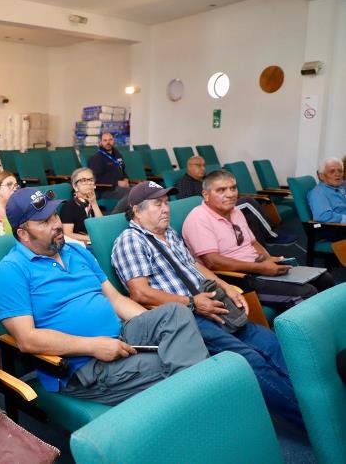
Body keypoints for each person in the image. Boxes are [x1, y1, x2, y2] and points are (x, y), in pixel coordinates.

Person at [0, 187, 209, 406]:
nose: (56, 224)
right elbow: (26, 339)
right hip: (83, 365)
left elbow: (114, 299)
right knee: (171, 360)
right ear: (23, 234)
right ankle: (204, 407)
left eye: (55, 215)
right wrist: (93, 346)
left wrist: (151, 329)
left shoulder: (76, 251)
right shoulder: (11, 270)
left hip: (120, 334)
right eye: (44, 222)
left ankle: (197, 399)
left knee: (176, 314)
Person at [111, 181, 303, 427]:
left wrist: (226, 287)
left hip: (210, 302)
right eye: (157, 204)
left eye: (167, 203)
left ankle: (315, 398)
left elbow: (195, 265)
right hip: (186, 318)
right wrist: (191, 303)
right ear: (137, 211)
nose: (166, 209)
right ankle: (312, 419)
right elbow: (141, 293)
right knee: (249, 360)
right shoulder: (131, 240)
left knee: (270, 342)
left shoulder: (168, 232)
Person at [183, 170, 334, 310]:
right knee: (307, 292)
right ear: (206, 194)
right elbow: (212, 262)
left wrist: (269, 259)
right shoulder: (199, 219)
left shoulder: (235, 211)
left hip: (257, 269)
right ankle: (304, 332)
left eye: (233, 188)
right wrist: (261, 268)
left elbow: (253, 243)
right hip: (236, 278)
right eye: (221, 190)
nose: (230, 194)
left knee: (324, 279)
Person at [175, 156, 290, 246]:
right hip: (211, 211)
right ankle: (271, 235)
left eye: (204, 165)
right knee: (248, 203)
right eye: (198, 165)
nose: (203, 168)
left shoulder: (206, 180)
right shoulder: (184, 183)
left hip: (221, 206)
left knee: (248, 216)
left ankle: (259, 247)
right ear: (189, 167)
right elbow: (190, 206)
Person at [87, 132, 130, 213]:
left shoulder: (118, 155)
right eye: (105, 140)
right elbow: (96, 178)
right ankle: (114, 216)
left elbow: (123, 170)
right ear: (100, 142)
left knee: (139, 190)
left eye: (110, 140)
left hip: (119, 187)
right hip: (106, 190)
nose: (108, 142)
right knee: (132, 193)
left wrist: (126, 178)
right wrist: (117, 182)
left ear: (114, 141)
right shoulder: (96, 158)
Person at [60, 167, 103, 245]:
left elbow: (102, 225)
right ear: (75, 186)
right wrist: (92, 238)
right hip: (81, 245)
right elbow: (67, 234)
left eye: (91, 180)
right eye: (83, 180)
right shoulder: (68, 207)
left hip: (96, 241)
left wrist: (94, 203)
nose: (89, 183)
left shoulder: (91, 202)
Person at [307, 157, 346, 242]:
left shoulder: (339, 188)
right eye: (332, 171)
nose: (337, 174)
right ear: (321, 176)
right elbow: (323, 216)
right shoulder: (318, 193)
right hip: (336, 230)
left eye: (340, 171)